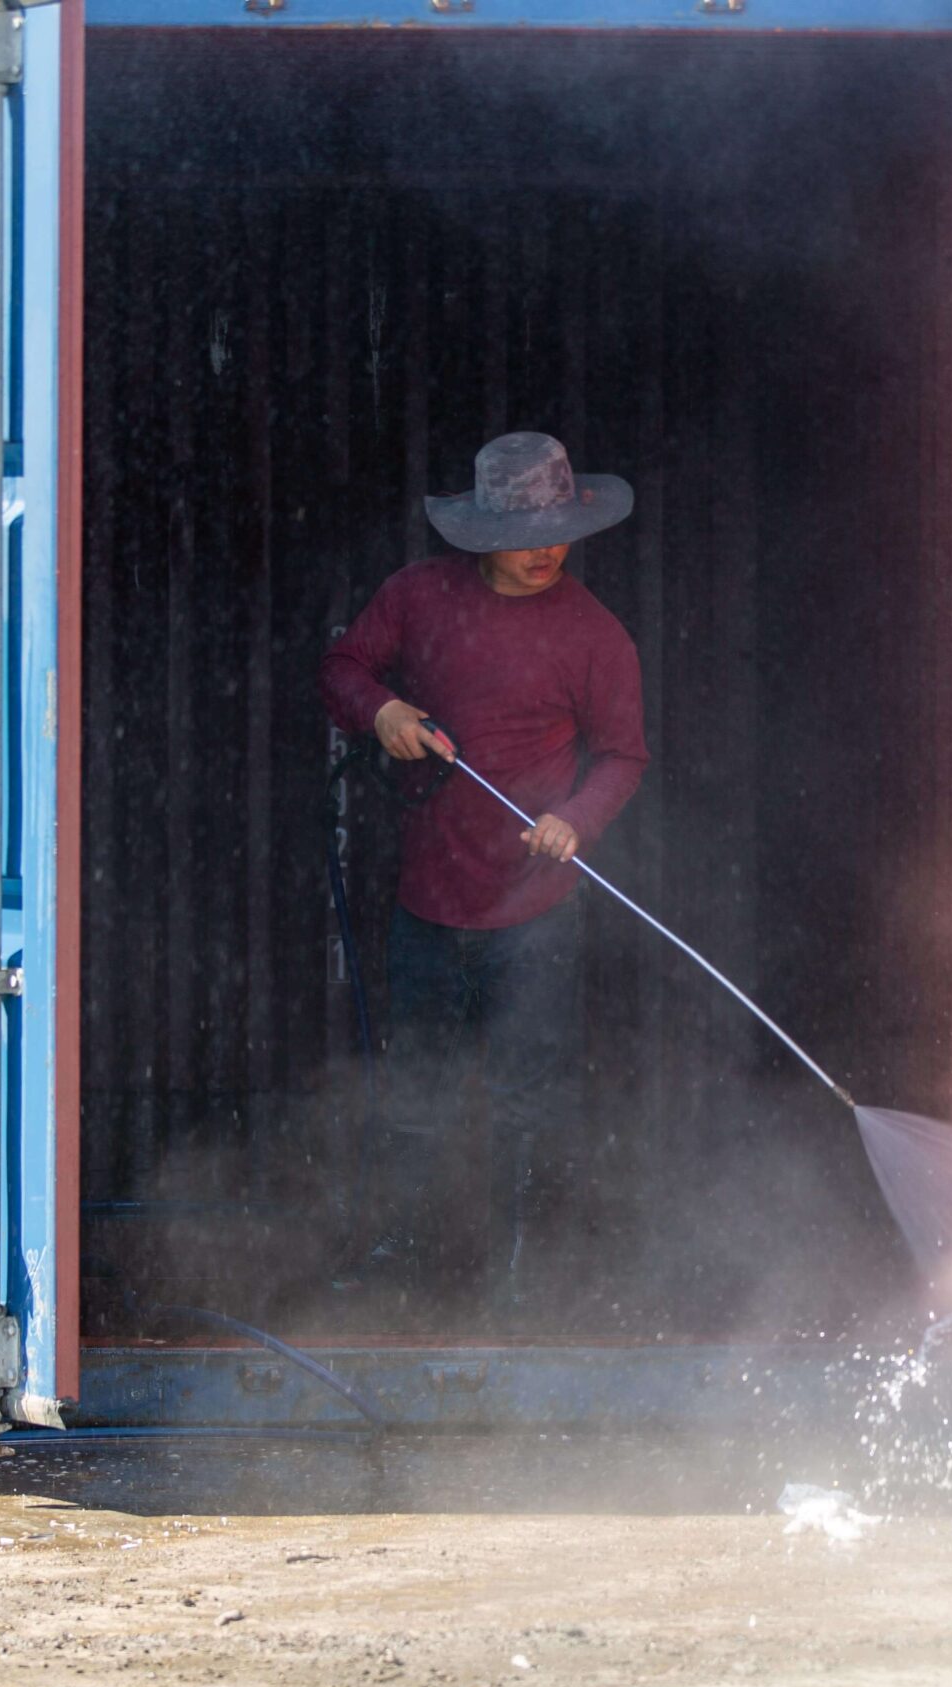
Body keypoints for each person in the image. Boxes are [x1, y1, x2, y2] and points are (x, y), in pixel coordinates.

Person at [319, 431, 649, 1316]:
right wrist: (381, 709)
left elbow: (623, 756)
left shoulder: (593, 634)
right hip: (429, 898)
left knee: (526, 1096)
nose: (547, 549)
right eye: (525, 531)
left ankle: (521, 1272)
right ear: (479, 531)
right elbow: (341, 667)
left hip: (538, 906)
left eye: (559, 530)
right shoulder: (419, 597)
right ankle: (405, 1252)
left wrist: (575, 819)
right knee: (417, 1087)